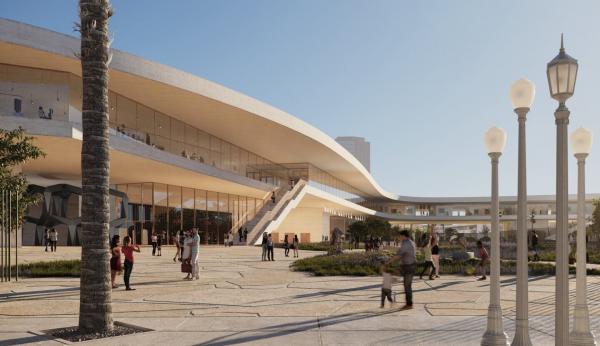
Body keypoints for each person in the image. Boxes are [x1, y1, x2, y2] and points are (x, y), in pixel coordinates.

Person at [387, 230, 416, 310]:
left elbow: (398, 255)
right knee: (407, 285)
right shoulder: (410, 242)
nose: (399, 238)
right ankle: (408, 303)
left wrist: (389, 262)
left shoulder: (406, 243)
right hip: (408, 266)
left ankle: (409, 304)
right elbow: (401, 254)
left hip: (409, 266)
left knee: (407, 286)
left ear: (403, 236)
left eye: (400, 236)